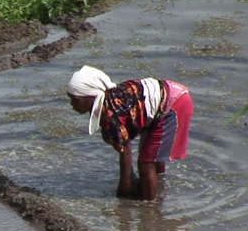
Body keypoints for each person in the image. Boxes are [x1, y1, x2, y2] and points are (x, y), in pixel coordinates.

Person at [66, 65, 194, 201]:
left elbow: (125, 151)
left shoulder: (110, 114)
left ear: (92, 97)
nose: (72, 104)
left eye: (76, 100)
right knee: (151, 153)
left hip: (172, 105)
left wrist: (123, 190)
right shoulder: (110, 98)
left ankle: (149, 208)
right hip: (172, 95)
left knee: (146, 162)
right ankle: (159, 185)